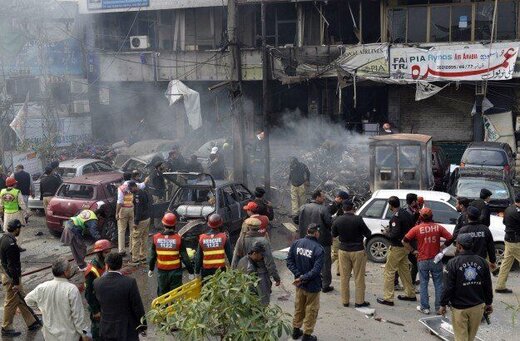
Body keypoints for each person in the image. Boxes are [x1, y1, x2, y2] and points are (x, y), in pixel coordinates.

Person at [439, 234, 493, 341]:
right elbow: (488, 285)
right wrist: (488, 303)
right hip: (478, 306)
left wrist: (443, 304)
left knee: (461, 338)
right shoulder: (482, 261)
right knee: (470, 338)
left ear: (459, 246)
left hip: (460, 308)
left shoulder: (452, 263)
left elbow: (448, 287)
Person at [25, 258, 90, 341]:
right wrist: (84, 333)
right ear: (65, 272)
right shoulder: (71, 289)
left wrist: (41, 310)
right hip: (69, 336)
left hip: (49, 336)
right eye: (69, 268)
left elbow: (28, 300)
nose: (70, 270)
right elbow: (78, 317)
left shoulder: (42, 287)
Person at [402, 208, 453, 315]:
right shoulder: (438, 227)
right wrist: (442, 247)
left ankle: (425, 308)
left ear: (420, 217)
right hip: (436, 260)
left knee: (423, 284)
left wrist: (413, 251)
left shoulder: (417, 229)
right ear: (432, 216)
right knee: (438, 284)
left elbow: (404, 241)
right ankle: (439, 308)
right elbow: (451, 238)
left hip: (422, 260)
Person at [0, 219, 40, 337]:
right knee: (11, 301)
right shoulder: (11, 244)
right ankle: (6, 327)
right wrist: (16, 282)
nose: (20, 230)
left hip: (8, 275)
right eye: (19, 228)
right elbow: (12, 265)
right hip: (12, 278)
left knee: (22, 299)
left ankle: (31, 322)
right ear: (16, 229)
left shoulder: (4, 238)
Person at [94, 252, 147, 341]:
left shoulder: (97, 283)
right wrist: (143, 325)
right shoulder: (129, 282)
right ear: (121, 265)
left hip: (106, 328)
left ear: (107, 266)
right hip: (127, 329)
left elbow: (98, 305)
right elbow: (137, 306)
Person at [286, 224, 324, 341]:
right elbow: (316, 271)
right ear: (316, 233)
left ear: (307, 231)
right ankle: (307, 335)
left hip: (300, 284)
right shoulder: (318, 249)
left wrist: (298, 275)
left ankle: (296, 331)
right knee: (311, 310)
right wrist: (303, 277)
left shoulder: (296, 243)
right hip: (312, 286)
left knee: (299, 307)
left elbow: (289, 261)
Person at [331, 199, 371, 308]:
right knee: (359, 277)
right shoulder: (358, 219)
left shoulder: (338, 220)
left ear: (343, 209)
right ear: (353, 208)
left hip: (343, 250)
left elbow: (334, 234)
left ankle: (345, 301)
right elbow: (368, 234)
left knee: (344, 277)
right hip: (358, 250)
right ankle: (359, 302)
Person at [377, 196, 416, 306]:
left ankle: (388, 298)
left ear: (390, 205)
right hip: (405, 247)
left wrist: (387, 233)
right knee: (404, 270)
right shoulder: (406, 214)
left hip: (397, 247)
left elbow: (394, 234)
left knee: (389, 271)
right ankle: (410, 294)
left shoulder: (396, 217)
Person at [232, 218, 280, 304]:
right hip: (261, 275)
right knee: (262, 302)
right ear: (259, 227)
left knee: (248, 301)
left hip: (245, 274)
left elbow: (235, 259)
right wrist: (276, 277)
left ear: (248, 227)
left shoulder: (241, 239)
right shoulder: (264, 241)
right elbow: (269, 262)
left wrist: (233, 275)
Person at [148, 213, 194, 296]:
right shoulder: (178, 239)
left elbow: (152, 256)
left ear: (163, 224)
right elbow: (185, 258)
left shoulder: (156, 238)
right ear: (174, 225)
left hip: (162, 272)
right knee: (176, 294)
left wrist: (151, 269)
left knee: (162, 294)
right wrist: (191, 272)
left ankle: (163, 309)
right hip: (175, 272)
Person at [298, 190, 333, 293]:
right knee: (325, 263)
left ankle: (308, 281)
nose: (324, 199)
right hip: (322, 241)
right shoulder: (323, 209)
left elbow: (296, 218)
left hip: (306, 239)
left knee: (308, 261)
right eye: (322, 197)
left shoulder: (303, 207)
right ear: (317, 197)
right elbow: (329, 223)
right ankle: (325, 285)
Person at [84, 240, 112, 341]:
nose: (108, 254)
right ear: (99, 253)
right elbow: (88, 293)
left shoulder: (106, 264)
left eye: (109, 252)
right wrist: (95, 310)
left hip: (105, 301)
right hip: (96, 303)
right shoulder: (92, 269)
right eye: (106, 252)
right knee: (97, 327)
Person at [457, 206, 497, 272]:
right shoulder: (485, 229)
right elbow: (491, 247)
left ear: (467, 216)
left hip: (466, 262)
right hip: (481, 262)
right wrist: (492, 261)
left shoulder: (463, 230)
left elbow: (458, 247)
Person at [195, 213, 233, 281]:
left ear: (209, 224)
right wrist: (233, 269)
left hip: (206, 271)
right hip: (220, 270)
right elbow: (230, 256)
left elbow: (198, 257)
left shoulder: (202, 238)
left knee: (207, 290)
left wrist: (197, 272)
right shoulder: (224, 237)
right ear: (220, 224)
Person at [495, 192, 520, 294]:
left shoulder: (509, 209)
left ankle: (500, 286)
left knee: (506, 263)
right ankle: (500, 286)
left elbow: (504, 222)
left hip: (508, 239)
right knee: (506, 262)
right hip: (516, 241)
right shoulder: (517, 213)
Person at [116, 180, 139, 256]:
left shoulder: (121, 188)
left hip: (123, 210)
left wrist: (117, 213)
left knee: (121, 231)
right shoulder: (135, 186)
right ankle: (132, 249)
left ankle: (121, 251)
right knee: (132, 229)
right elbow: (143, 185)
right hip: (131, 209)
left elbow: (120, 202)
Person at [130, 184, 151, 265]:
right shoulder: (144, 192)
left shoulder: (137, 195)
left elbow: (138, 209)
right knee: (144, 238)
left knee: (136, 238)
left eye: (131, 188)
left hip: (141, 220)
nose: (130, 190)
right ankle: (143, 257)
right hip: (147, 218)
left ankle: (135, 259)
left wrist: (136, 222)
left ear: (135, 186)